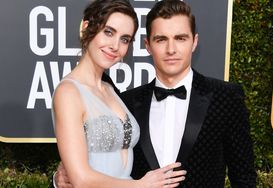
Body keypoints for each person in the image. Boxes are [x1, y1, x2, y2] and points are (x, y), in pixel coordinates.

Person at [54, 0, 257, 187]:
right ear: (147, 46)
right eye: (161, 39)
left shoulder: (226, 97)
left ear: (194, 42)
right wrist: (60, 179)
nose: (171, 49)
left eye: (180, 38)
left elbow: (244, 176)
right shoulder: (128, 101)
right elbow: (91, 165)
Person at [51, 0, 187, 187]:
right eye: (108, 32)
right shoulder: (68, 92)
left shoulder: (110, 89)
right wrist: (141, 185)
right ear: (86, 27)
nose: (115, 46)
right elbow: (80, 180)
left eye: (124, 39)